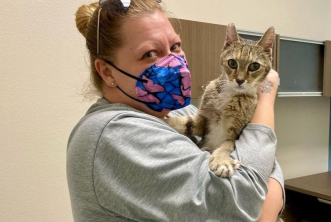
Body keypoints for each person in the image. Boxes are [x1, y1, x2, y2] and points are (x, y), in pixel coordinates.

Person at [68, 0, 284, 221]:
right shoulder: (116, 133)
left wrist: (264, 173)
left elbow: (265, 164)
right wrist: (266, 96)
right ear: (107, 72)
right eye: (150, 53)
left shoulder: (178, 111)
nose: (173, 62)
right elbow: (245, 205)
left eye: (174, 47)